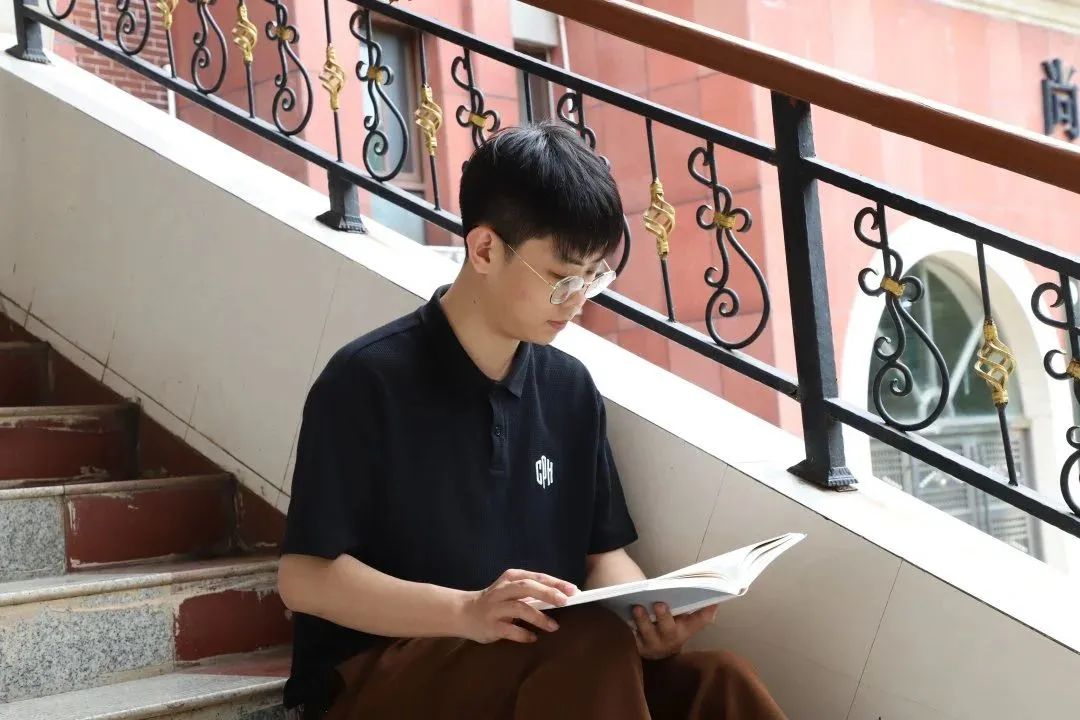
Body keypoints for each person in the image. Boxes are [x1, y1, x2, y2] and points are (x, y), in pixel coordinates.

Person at [277, 122, 788, 720]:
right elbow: (305, 578)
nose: (579, 299)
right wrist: (467, 612)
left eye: (594, 276)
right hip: (383, 678)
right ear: (485, 250)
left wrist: (647, 617)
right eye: (563, 276)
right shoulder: (367, 379)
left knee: (720, 682)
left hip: (550, 665)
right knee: (583, 645)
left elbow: (603, 556)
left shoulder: (569, 388)